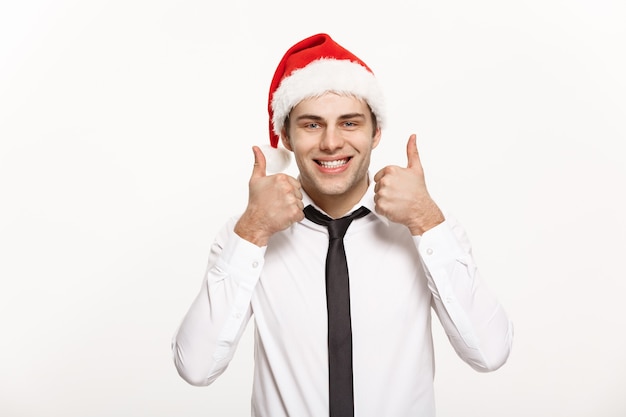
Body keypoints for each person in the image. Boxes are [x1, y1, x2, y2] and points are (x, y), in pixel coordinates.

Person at [172, 33, 513, 417]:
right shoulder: (248, 235)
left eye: (349, 123)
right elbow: (196, 368)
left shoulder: (428, 230)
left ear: (375, 133)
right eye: (312, 125)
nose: (331, 143)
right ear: (286, 136)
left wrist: (425, 219)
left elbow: (490, 353)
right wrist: (253, 232)